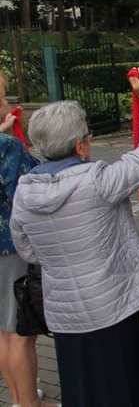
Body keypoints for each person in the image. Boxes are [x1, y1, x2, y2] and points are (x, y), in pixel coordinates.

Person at [10, 67, 139, 407]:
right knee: (125, 385)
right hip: (113, 307)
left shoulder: (25, 190)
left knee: (82, 387)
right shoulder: (98, 181)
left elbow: (26, 249)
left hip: (65, 313)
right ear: (80, 145)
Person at [0, 72, 58, 407]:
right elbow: (33, 189)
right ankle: (29, 405)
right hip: (11, 249)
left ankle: (20, 397)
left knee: (3, 331)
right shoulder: (8, 147)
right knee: (21, 333)